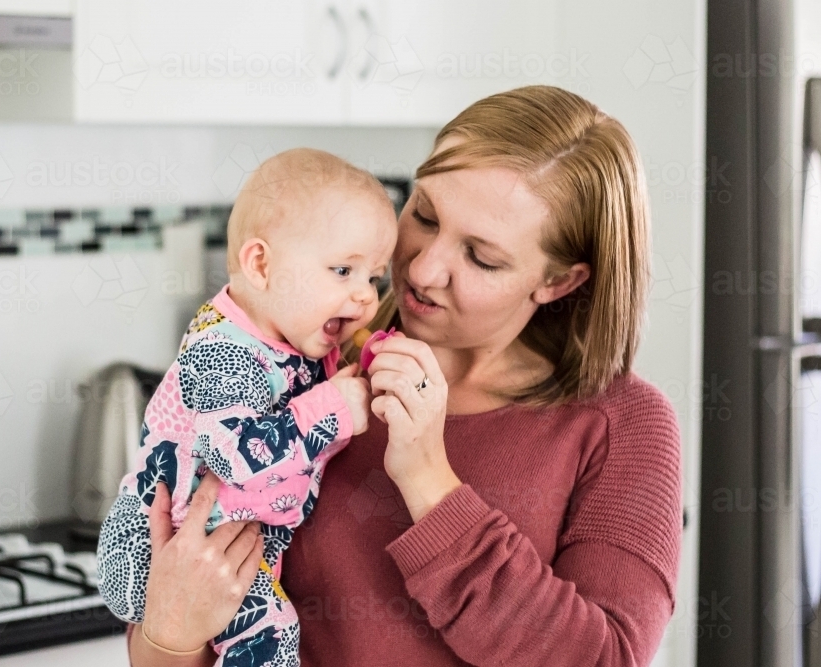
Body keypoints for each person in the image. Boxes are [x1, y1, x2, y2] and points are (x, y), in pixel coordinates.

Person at [124, 85, 682, 667]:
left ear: (559, 282)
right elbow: (181, 611)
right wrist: (172, 629)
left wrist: (428, 477)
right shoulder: (305, 365)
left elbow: (606, 660)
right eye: (424, 213)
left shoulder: (620, 426)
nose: (421, 267)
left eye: (481, 257)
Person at [96, 148, 398, 666]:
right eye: (343, 270)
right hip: (188, 542)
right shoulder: (225, 352)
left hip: (231, 540)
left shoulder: (293, 342)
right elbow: (235, 454)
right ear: (261, 264)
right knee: (272, 636)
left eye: (372, 278)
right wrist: (335, 406)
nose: (367, 298)